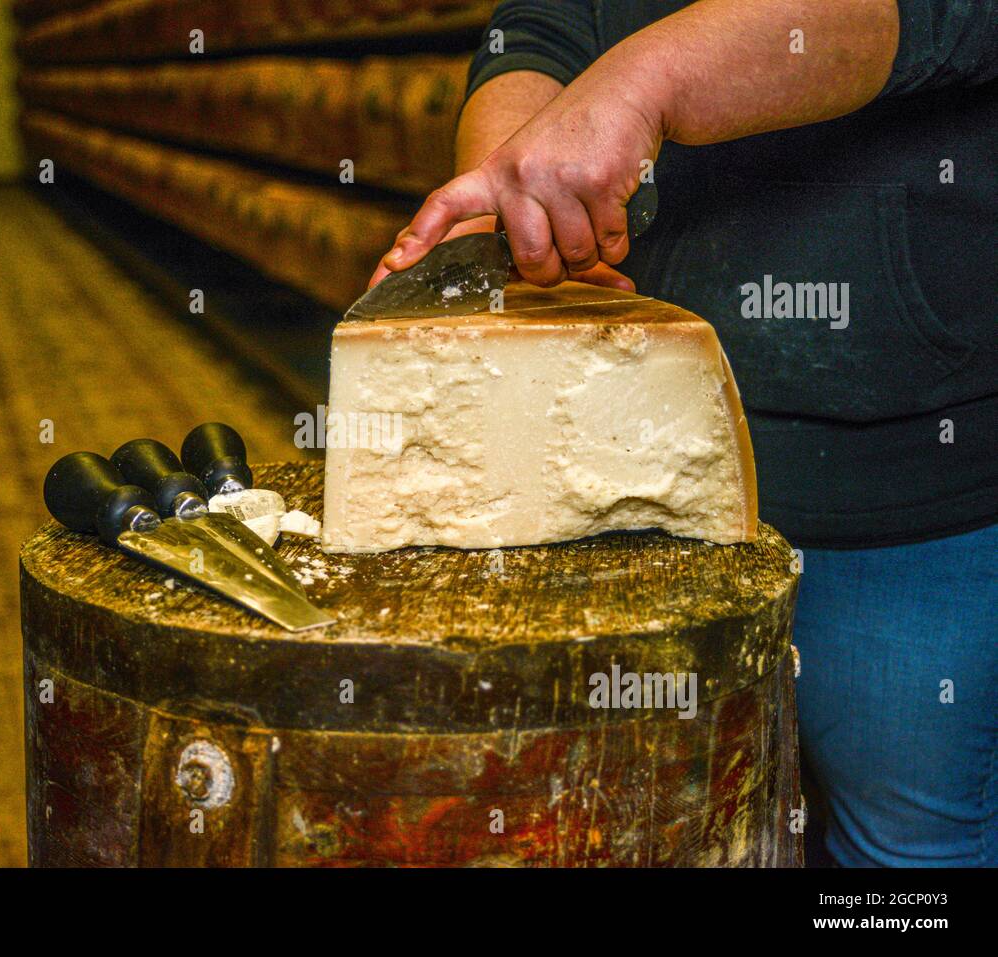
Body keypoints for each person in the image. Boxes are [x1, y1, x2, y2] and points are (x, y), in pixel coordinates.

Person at [370, 0, 997, 866]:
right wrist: (518, 196)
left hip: (896, 478)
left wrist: (647, 81)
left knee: (903, 851)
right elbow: (544, 25)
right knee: (648, 824)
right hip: (624, 455)